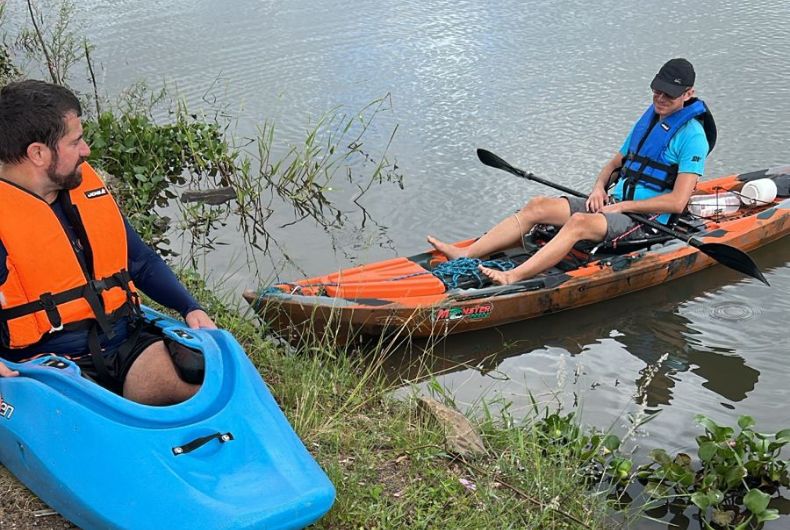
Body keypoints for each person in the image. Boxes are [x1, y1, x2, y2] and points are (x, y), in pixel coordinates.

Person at [0, 79, 216, 405]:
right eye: (75, 141)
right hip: (43, 367)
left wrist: (190, 307)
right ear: (38, 153)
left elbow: (140, 261)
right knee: (92, 418)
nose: (86, 150)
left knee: (206, 381)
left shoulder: (83, 193)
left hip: (123, 344)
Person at [428, 58, 713, 285]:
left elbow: (677, 202)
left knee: (578, 222)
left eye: (669, 95)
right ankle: (466, 253)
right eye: (657, 91)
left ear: (689, 94)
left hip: (647, 220)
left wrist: (623, 207)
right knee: (537, 205)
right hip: (615, 206)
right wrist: (599, 188)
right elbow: (614, 165)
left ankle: (512, 276)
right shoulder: (651, 120)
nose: (660, 99)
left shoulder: (693, 136)